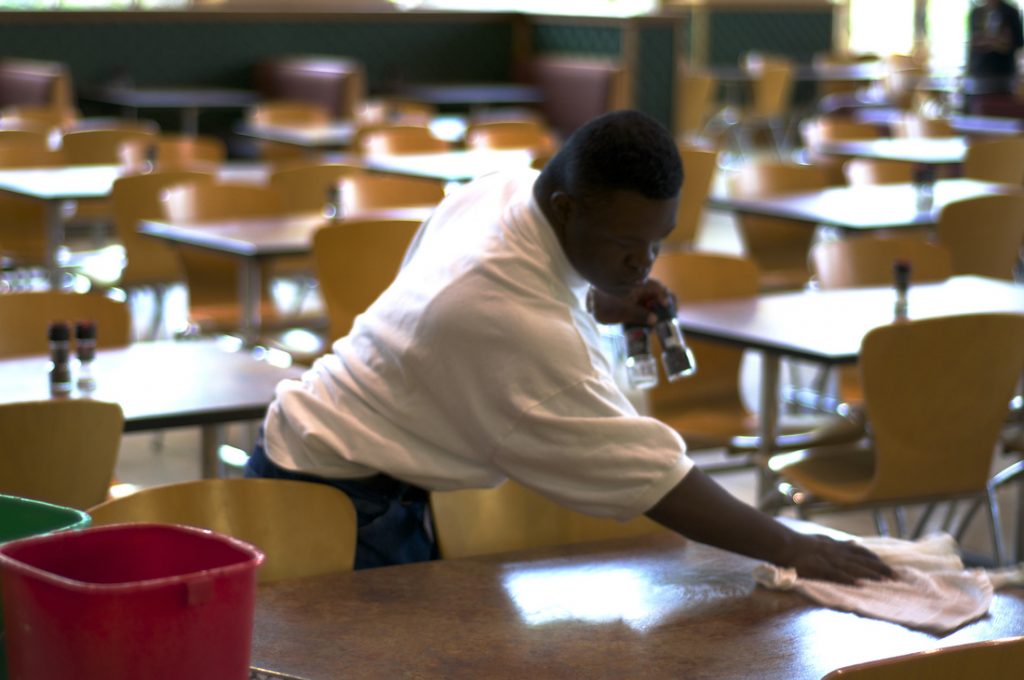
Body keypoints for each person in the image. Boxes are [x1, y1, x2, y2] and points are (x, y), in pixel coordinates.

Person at [247, 109, 892, 584]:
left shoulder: (501, 189)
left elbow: (520, 291)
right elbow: (655, 476)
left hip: (345, 460)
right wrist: (793, 547)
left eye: (657, 242)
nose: (644, 264)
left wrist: (595, 294)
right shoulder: (510, 323)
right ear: (565, 208)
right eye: (624, 246)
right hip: (339, 502)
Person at [967, 0, 1024, 97]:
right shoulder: (976, 13)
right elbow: (973, 43)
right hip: (979, 74)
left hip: (1003, 74)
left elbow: (1017, 43)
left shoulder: (1010, 13)